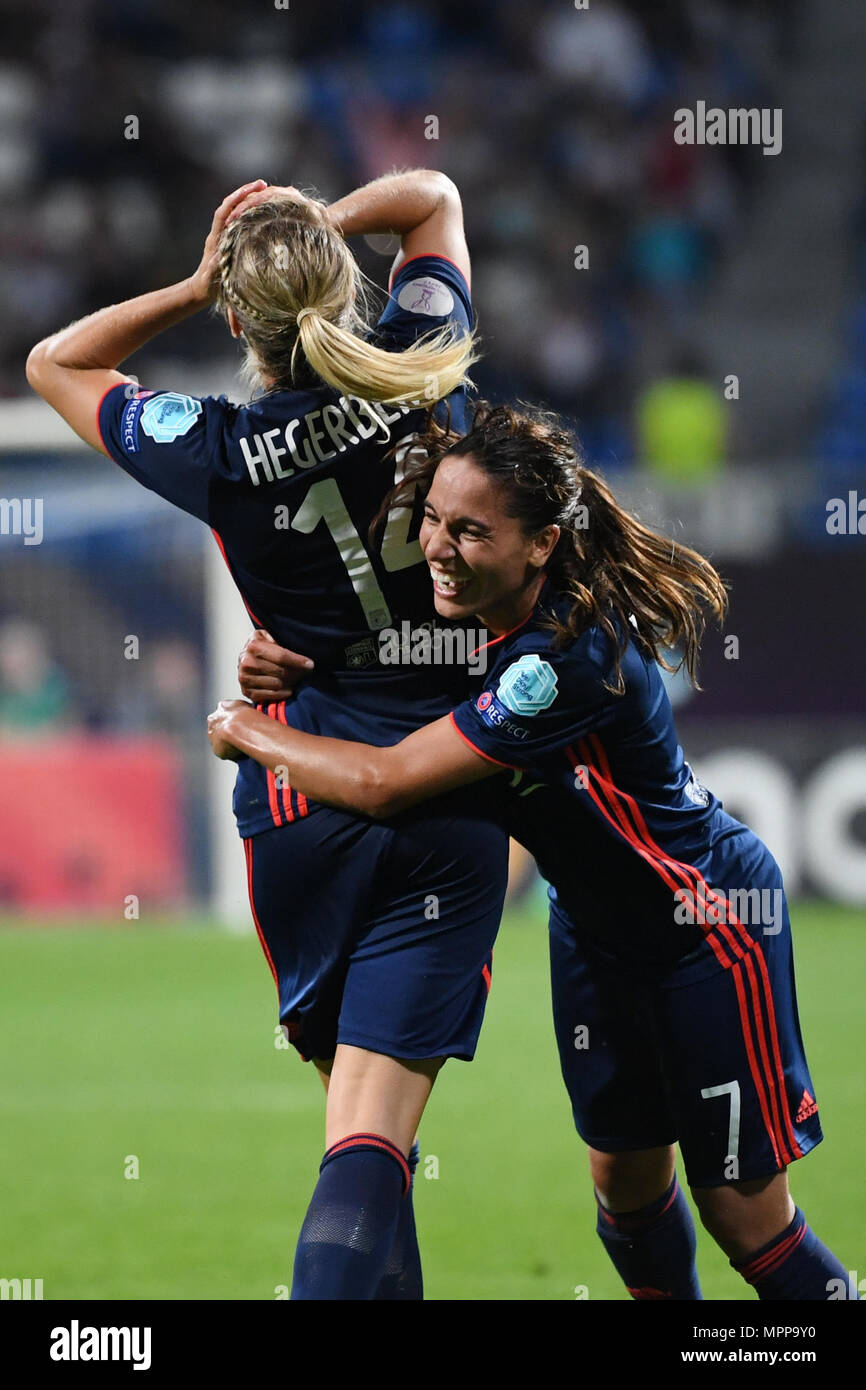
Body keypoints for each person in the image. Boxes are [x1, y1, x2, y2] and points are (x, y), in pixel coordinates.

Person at [211, 402, 857, 1300]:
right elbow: (378, 675)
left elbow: (389, 778)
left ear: (542, 543)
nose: (435, 546)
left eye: (469, 531)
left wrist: (247, 730)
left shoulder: (564, 657)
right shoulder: (466, 612)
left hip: (705, 926)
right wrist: (295, 669)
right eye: (432, 518)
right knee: (625, 1195)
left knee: (747, 1221)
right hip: (591, 933)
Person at [26, 171, 511, 1300]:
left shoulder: (216, 446)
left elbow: (58, 361)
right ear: (346, 289)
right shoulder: (423, 367)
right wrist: (309, 229)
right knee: (372, 1136)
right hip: (440, 778)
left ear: (241, 324)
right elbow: (434, 195)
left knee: (361, 1135)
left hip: (297, 797)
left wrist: (207, 276)